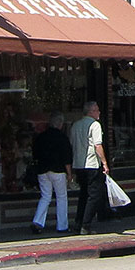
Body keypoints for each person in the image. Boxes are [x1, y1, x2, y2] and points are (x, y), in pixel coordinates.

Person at [69, 100, 109, 234]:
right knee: (94, 195)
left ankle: (78, 222)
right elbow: (98, 146)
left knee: (83, 194)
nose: (99, 112)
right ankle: (85, 225)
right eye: (97, 110)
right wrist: (104, 163)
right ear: (91, 112)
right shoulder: (95, 125)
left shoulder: (75, 125)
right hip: (91, 164)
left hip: (78, 165)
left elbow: (72, 144)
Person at [28, 112, 71, 233]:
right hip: (58, 170)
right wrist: (69, 173)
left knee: (46, 196)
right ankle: (62, 226)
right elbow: (67, 157)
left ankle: (38, 221)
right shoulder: (62, 137)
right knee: (61, 197)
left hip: (42, 170)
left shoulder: (41, 137)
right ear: (60, 124)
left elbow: (35, 154)